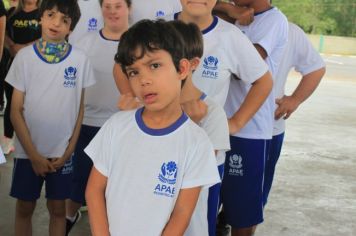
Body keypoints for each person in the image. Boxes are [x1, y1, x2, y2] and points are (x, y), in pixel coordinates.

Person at [85, 19, 220, 235]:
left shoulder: (197, 142)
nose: (144, 80)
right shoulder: (116, 126)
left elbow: (182, 214)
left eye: (154, 65)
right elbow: (94, 189)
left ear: (182, 68)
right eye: (133, 72)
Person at [5, 0, 95, 235]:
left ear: (71, 28)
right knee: (24, 207)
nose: (56, 23)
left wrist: (69, 151)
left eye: (64, 20)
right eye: (51, 15)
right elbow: (15, 110)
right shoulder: (24, 58)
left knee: (57, 209)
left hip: (62, 153)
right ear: (40, 18)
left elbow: (79, 110)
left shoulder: (80, 60)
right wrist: (33, 155)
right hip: (27, 152)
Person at [215, 0, 288, 235]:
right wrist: (228, 9)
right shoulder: (229, 13)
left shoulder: (273, 20)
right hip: (214, 125)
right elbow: (200, 8)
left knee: (242, 214)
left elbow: (243, 68)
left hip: (248, 130)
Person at [65, 0, 130, 234]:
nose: (112, 11)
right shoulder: (85, 43)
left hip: (123, 127)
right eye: (107, 6)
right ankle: (68, 217)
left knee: (116, 188)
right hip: (87, 124)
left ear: (129, 9)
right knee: (79, 182)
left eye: (118, 5)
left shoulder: (138, 45)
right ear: (100, 9)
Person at [263, 21, 326, 206]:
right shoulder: (225, 23)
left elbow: (315, 68)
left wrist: (295, 99)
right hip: (222, 126)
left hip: (268, 129)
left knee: (251, 202)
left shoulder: (289, 30)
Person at [2, 0, 41, 155]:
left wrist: (24, 48)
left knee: (33, 103)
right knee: (11, 102)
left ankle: (31, 141)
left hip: (36, 67)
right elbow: (2, 31)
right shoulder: (12, 13)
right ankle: (7, 139)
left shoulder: (44, 13)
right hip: (12, 64)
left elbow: (48, 36)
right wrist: (12, 46)